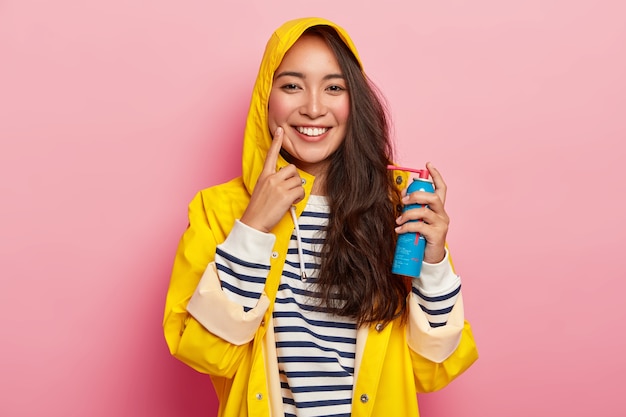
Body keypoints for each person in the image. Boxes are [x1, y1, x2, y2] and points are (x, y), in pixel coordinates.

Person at [163, 17, 478, 417]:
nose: (313, 108)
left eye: (334, 88)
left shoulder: (395, 208)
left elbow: (433, 367)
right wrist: (253, 228)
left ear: (355, 102)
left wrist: (434, 264)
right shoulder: (218, 210)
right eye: (292, 86)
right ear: (266, 96)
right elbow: (203, 352)